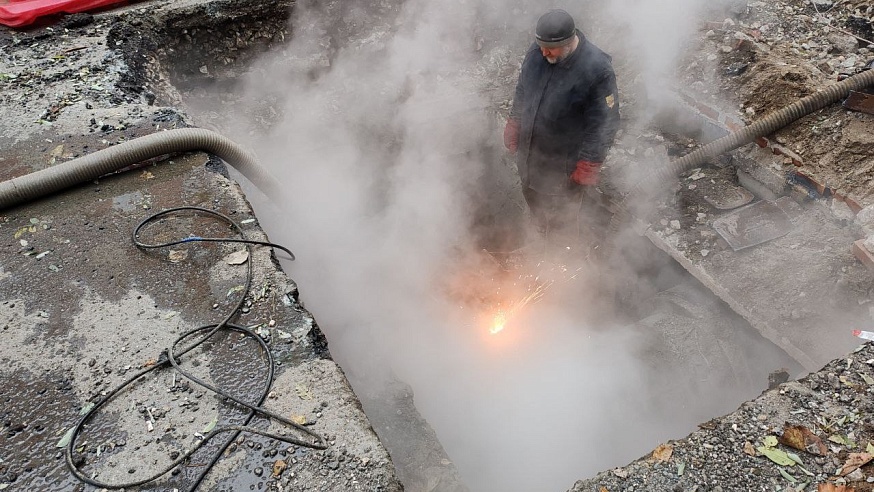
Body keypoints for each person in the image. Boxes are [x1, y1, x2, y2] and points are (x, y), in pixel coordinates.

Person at [503, 9, 620, 245]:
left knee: (560, 216)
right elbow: (522, 89)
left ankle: (560, 256)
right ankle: (540, 233)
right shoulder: (537, 52)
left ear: (569, 42)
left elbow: (604, 124)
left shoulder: (597, 70)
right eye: (540, 45)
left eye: (550, 48)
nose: (544, 52)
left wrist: (589, 163)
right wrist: (515, 120)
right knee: (532, 198)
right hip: (530, 154)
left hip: (563, 165)